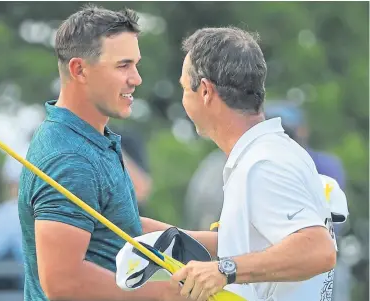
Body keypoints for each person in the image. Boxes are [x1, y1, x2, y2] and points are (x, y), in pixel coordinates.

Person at [18, 5, 189, 301]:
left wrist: (220, 243)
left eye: (135, 64)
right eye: (123, 65)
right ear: (79, 70)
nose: (136, 79)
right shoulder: (69, 158)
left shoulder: (89, 138)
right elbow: (63, 282)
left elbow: (122, 223)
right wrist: (166, 294)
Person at [168, 27, 337, 301]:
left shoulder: (263, 164)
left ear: (206, 92)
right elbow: (255, 245)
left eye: (185, 88)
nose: (183, 98)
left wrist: (224, 270)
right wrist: (153, 232)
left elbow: (319, 250)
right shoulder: (271, 151)